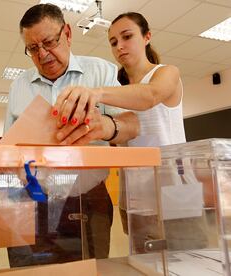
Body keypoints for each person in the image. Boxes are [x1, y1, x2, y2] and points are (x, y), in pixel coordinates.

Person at [54, 12, 207, 252]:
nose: (120, 46)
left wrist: (96, 93)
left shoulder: (166, 73)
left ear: (147, 37)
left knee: (188, 261)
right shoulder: (118, 87)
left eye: (127, 37)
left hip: (175, 187)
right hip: (136, 194)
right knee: (145, 263)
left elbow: (150, 95)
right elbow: (118, 134)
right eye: (113, 42)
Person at [4, 4, 139, 267]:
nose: (43, 54)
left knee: (89, 270)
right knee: (32, 272)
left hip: (88, 200)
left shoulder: (100, 71)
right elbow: (7, 147)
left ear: (67, 33)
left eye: (49, 42)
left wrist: (106, 126)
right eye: (33, 49)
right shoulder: (18, 86)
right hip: (33, 201)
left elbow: (133, 124)